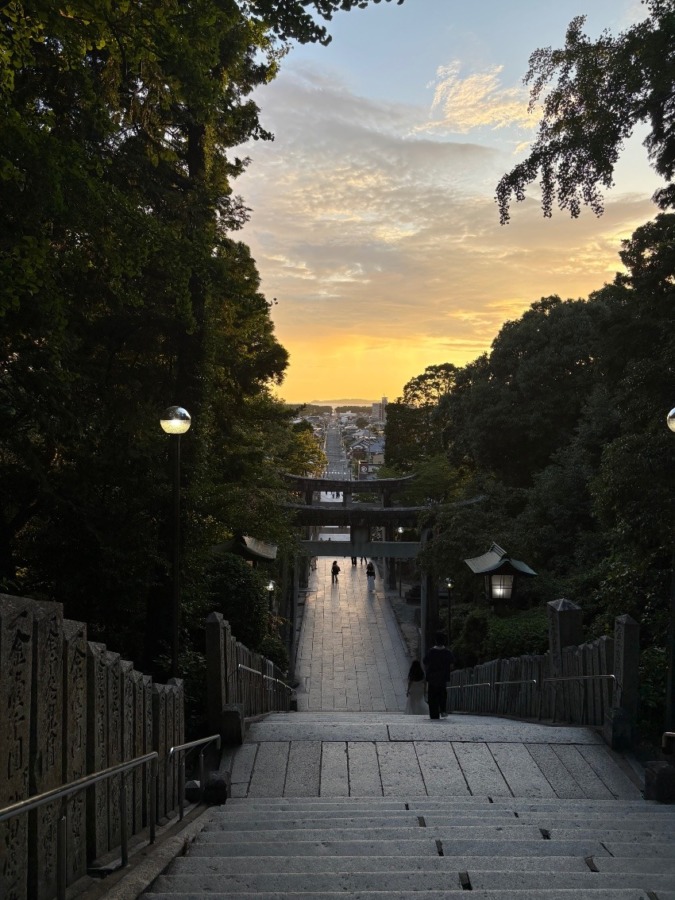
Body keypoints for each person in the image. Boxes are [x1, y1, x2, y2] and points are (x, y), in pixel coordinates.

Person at [423, 632, 454, 720]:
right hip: (442, 677)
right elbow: (452, 664)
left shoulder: (431, 652)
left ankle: (433, 713)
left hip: (432, 678)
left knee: (432, 695)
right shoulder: (447, 652)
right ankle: (443, 710)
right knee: (442, 694)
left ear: (435, 641)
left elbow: (425, 662)